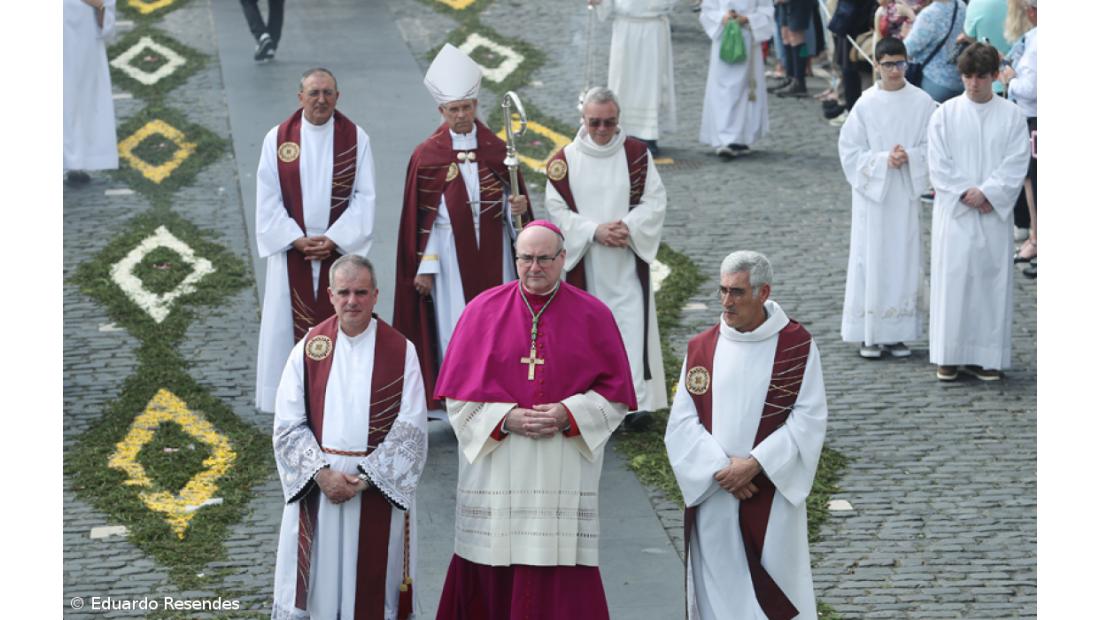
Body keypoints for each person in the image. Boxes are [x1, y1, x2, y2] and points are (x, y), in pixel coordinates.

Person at [433, 221, 637, 619]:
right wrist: (504, 419)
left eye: (545, 258)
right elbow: (456, 398)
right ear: (516, 258)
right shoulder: (482, 311)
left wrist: (569, 413)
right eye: (525, 258)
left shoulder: (593, 314)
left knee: (560, 568)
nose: (534, 267)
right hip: (499, 464)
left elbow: (615, 396)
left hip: (560, 464)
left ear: (563, 259)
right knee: (491, 562)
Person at [665, 250, 828, 620]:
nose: (726, 302)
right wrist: (724, 469)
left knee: (774, 587)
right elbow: (682, 421)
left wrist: (755, 465)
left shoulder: (796, 347)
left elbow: (809, 418)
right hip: (716, 491)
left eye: (737, 292)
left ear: (763, 292)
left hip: (770, 493)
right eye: (722, 291)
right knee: (717, 588)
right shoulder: (702, 348)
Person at [270, 255, 428, 620]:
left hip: (374, 490)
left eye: (360, 292)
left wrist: (365, 481)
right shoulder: (310, 348)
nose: (352, 301)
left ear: (376, 295)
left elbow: (412, 428)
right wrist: (323, 475)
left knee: (374, 589)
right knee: (318, 586)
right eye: (344, 292)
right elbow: (288, 423)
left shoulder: (401, 351)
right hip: (320, 490)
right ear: (330, 294)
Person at [394, 43, 533, 420]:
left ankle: (503, 397)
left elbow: (514, 209)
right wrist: (425, 266)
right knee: (456, 328)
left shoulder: (497, 149)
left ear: (475, 106)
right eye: (453, 109)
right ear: (441, 111)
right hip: (449, 263)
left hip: (498, 259)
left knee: (501, 327)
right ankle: (461, 405)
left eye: (466, 108)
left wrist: (515, 208)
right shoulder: (428, 156)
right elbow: (425, 223)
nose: (460, 115)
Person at [544, 86, 668, 426]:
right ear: (583, 119)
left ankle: (635, 404)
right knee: (589, 332)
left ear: (618, 119)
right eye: (595, 122)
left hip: (625, 260)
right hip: (587, 263)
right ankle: (591, 405)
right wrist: (593, 231)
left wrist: (627, 227)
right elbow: (556, 210)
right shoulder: (564, 162)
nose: (602, 130)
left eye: (609, 122)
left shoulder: (637, 155)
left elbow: (655, 201)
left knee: (631, 325)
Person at [254, 68, 376, 413]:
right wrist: (294, 239)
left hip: (336, 255)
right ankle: (291, 403)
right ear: (300, 97)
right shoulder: (277, 140)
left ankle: (338, 399)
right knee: (286, 329)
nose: (321, 100)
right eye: (314, 93)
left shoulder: (355, 139)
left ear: (338, 96)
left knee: (342, 317)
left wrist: (335, 239)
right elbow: (267, 197)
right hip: (293, 254)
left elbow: (365, 198)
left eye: (328, 93)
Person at [927, 42, 1030, 381]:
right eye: (968, 76)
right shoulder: (944, 114)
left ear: (995, 76)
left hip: (991, 214)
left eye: (981, 77)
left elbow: (1016, 162)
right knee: (953, 283)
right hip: (956, 213)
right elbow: (939, 163)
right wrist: (966, 192)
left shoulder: (1012, 115)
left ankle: (985, 357)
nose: (973, 84)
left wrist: (987, 192)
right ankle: (948, 355)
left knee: (989, 283)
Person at [838, 37, 937, 359]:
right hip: (874, 197)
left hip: (904, 194)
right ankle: (870, 333)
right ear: (876, 66)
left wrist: (910, 156)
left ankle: (898, 333)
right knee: (872, 258)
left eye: (901, 63)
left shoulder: (922, 102)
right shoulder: (865, 104)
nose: (896, 71)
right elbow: (850, 151)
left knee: (904, 258)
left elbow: (933, 146)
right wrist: (883, 160)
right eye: (889, 64)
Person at [589, 0, 679, 154]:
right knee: (622, 82)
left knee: (650, 82)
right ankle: (620, 131)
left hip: (652, 27)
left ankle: (648, 135)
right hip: (625, 26)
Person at [699, 1, 776, 158]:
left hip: (748, 38)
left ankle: (741, 137)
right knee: (723, 90)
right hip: (723, 38)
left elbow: (766, 10)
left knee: (744, 90)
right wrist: (723, 17)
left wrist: (748, 19)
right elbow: (707, 10)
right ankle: (724, 137)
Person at [63, 0, 118, 185]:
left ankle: (76, 161)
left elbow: (103, 6)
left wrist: (101, 7)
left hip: (82, 30)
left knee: (81, 95)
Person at [1001, 0, 1036, 277]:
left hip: (1033, 116)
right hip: (1029, 115)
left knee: (1033, 180)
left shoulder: (1037, 41)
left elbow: (1032, 88)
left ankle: (1036, 239)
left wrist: (1011, 79)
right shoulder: (1033, 37)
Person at [904, 0, 967, 103]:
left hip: (934, 82)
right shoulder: (961, 5)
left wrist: (908, 15)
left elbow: (907, 49)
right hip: (959, 79)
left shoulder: (929, 15)